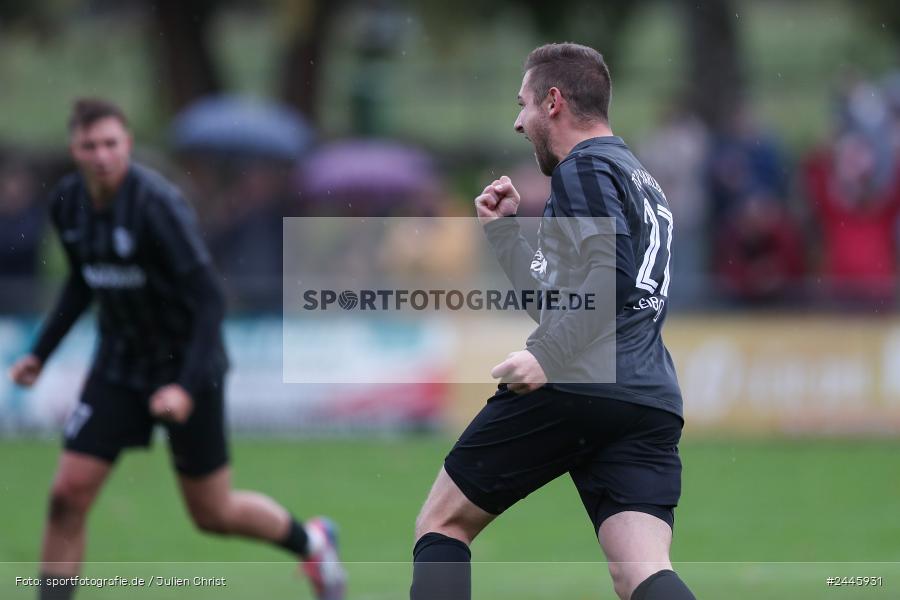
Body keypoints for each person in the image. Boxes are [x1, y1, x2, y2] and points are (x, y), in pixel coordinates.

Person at [7, 98, 346, 600]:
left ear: (127, 144)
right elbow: (82, 280)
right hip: (119, 365)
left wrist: (184, 388)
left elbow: (210, 299)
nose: (101, 155)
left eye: (110, 144)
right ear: (74, 150)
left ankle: (313, 542)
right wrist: (40, 353)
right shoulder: (67, 203)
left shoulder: (157, 207)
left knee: (213, 512)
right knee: (66, 495)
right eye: (89, 146)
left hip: (187, 363)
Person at [410, 44, 696, 600]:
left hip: (581, 380)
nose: (518, 122)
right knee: (640, 571)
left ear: (553, 102)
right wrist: (503, 234)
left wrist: (548, 356)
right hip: (647, 397)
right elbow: (568, 301)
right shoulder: (639, 178)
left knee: (443, 523)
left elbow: (610, 277)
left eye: (523, 104)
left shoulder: (583, 167)